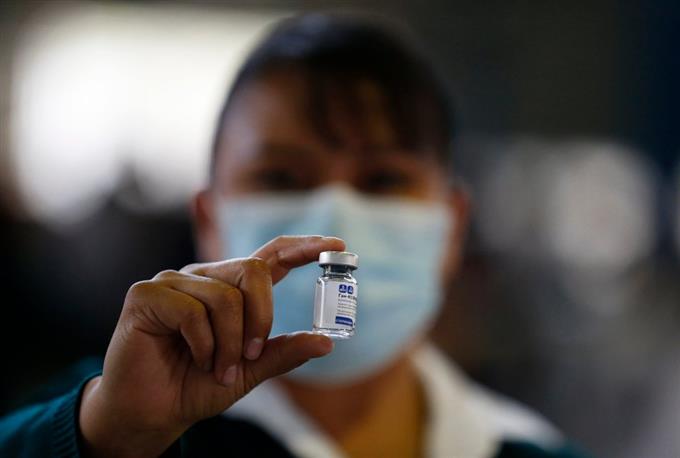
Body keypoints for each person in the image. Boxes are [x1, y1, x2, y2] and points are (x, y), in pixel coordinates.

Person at [0, 13, 590, 458]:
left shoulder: (528, 451)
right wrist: (109, 438)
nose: (333, 222)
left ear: (452, 225)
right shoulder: (109, 416)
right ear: (209, 221)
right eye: (281, 177)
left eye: (383, 179)